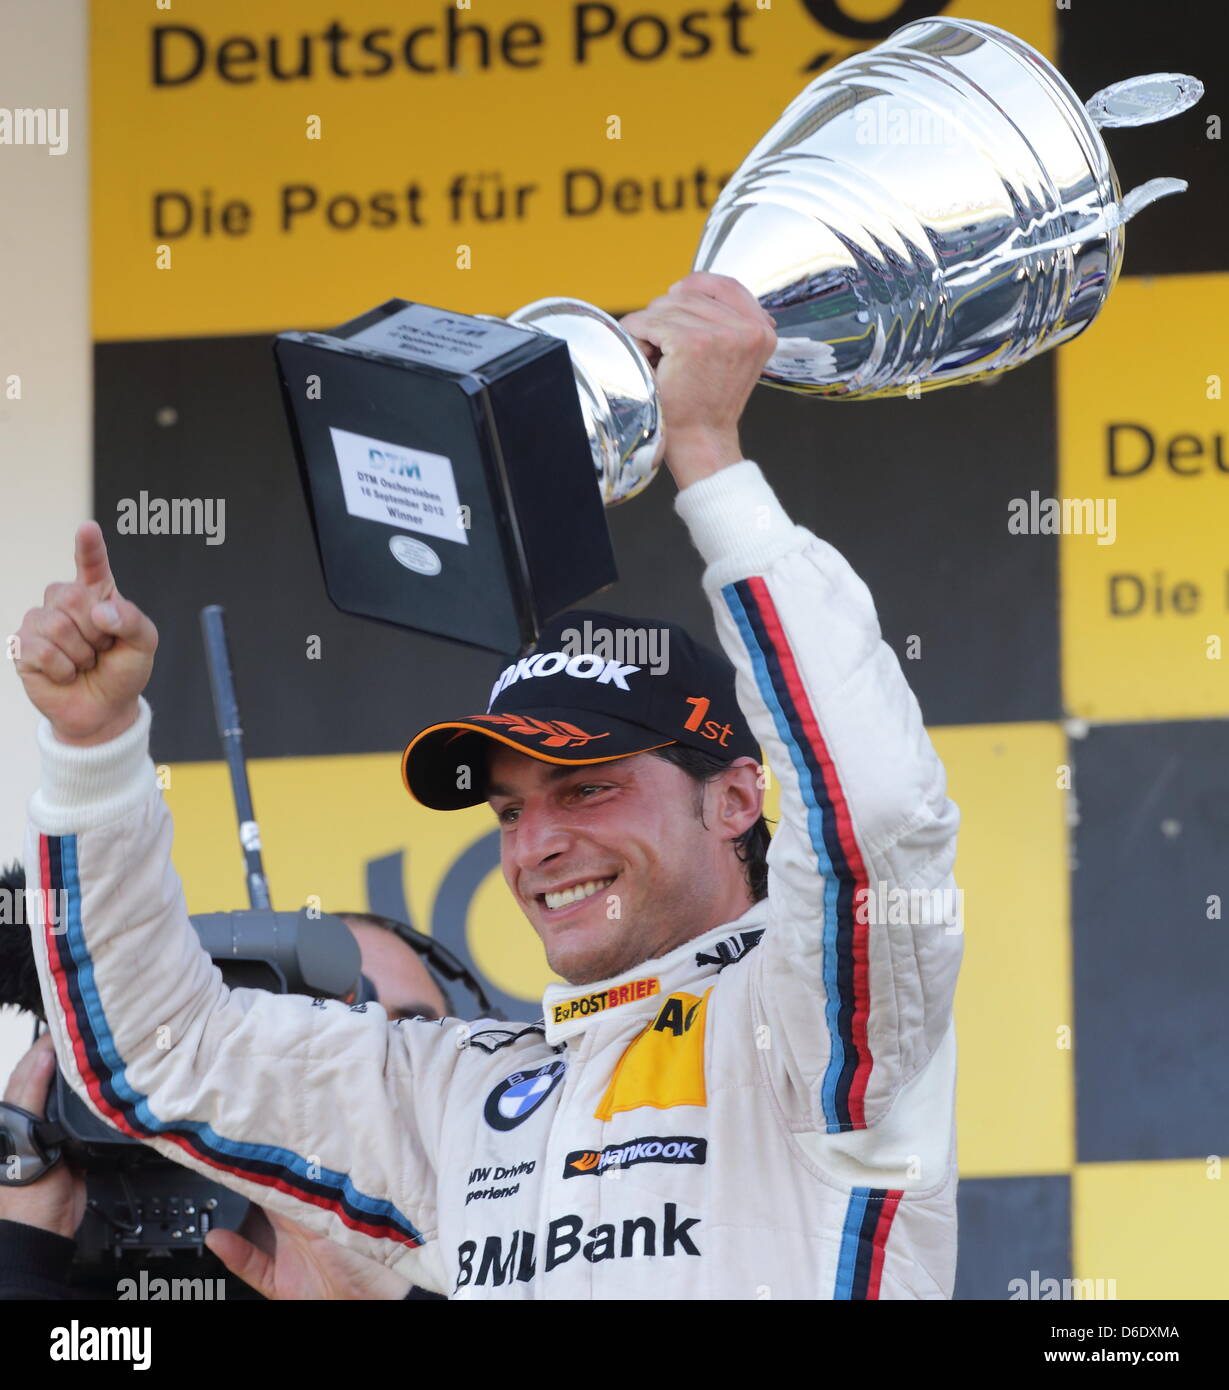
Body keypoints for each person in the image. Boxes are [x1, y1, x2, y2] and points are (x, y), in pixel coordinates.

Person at [14, 272, 962, 1299]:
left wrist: (708, 458)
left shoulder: (809, 1030)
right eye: (510, 808)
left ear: (735, 799)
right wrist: (97, 741)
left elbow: (873, 816)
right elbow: (155, 1050)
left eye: (587, 787)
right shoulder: (463, 1096)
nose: (534, 843)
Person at [0, 905, 447, 1300]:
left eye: (410, 1033)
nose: (372, 1062)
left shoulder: (502, 1245)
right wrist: (25, 1250)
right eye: (331, 1032)